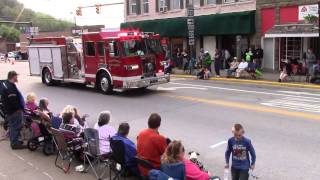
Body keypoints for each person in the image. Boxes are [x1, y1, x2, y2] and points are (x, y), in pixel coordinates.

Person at [1, 71, 26, 149]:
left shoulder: (5, 84)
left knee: (12, 126)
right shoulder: (10, 88)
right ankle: (15, 144)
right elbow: (13, 101)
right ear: (13, 76)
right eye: (16, 76)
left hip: (9, 111)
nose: (17, 78)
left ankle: (15, 141)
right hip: (14, 111)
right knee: (15, 126)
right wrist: (19, 109)